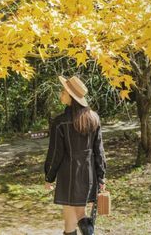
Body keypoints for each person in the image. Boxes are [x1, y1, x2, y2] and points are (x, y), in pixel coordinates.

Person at [44, 75, 107, 235]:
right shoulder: (94, 118)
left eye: (63, 92)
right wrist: (101, 177)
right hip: (88, 174)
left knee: (74, 216)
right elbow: (99, 151)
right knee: (73, 217)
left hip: (68, 175)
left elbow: (55, 154)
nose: (61, 94)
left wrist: (49, 177)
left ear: (71, 96)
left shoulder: (60, 122)